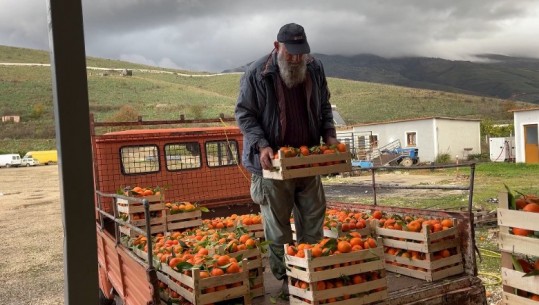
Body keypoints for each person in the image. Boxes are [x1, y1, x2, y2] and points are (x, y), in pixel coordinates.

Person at [234, 23, 339, 298]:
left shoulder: (314, 68)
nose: (295, 59)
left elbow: (324, 105)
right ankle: (286, 281)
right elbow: (244, 114)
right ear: (276, 47)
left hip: (306, 161)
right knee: (278, 228)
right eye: (290, 53)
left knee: (314, 219)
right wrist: (262, 145)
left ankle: (310, 273)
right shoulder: (257, 73)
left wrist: (329, 134)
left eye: (300, 54)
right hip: (272, 165)